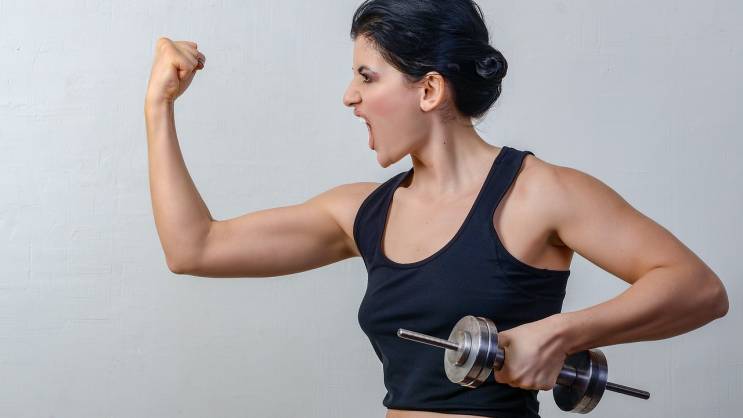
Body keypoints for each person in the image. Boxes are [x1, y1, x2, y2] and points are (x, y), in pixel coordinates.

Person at [144, 1, 729, 417]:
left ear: (428, 89)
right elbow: (194, 248)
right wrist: (158, 107)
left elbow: (698, 288)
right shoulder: (363, 212)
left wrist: (559, 333)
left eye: (367, 76)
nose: (349, 96)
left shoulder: (539, 194)